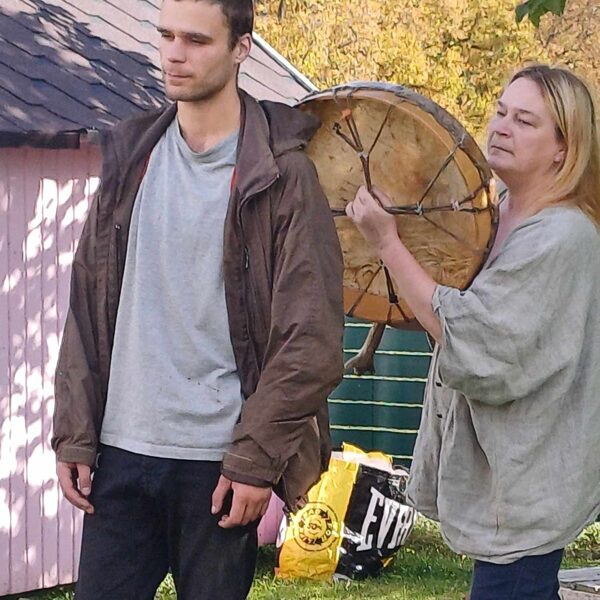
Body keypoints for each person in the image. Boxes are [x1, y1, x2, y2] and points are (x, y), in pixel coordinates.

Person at [51, 1, 344, 598]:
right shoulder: (130, 160)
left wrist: (255, 459)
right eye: (166, 36)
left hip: (220, 463)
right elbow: (86, 306)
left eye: (196, 40)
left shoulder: (284, 176)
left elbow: (310, 338)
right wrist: (76, 430)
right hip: (120, 453)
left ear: (241, 48)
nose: (174, 54)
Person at [346, 64, 600, 599]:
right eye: (502, 112)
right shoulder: (498, 213)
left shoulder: (563, 236)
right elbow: (441, 310)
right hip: (502, 479)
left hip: (528, 479)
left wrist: (388, 242)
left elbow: (478, 338)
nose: (502, 127)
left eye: (525, 121)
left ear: (563, 148)